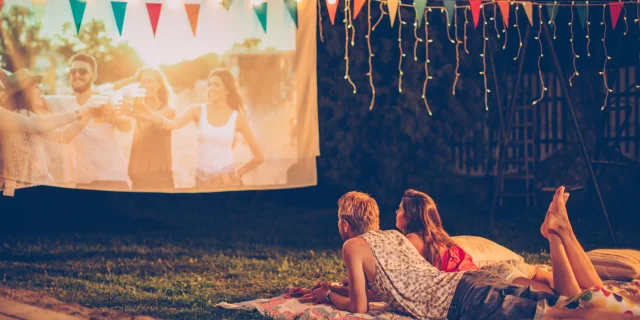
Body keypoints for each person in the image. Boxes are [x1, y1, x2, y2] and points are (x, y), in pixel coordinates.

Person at [295, 188, 639, 319]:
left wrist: (330, 296)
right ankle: (560, 234)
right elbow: (386, 288)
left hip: (464, 295)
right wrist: (335, 287)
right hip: (470, 282)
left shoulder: (354, 246)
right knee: (572, 301)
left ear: (344, 223)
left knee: (564, 312)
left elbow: (360, 305)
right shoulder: (393, 238)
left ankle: (558, 235)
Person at [396, 189, 555, 293]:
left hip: (484, 281)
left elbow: (397, 277)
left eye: (400, 208)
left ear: (409, 216)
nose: (396, 212)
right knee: (552, 293)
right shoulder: (440, 237)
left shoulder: (412, 241)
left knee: (545, 299)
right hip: (490, 273)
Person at [130, 68, 264, 190]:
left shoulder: (238, 118)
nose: (211, 88)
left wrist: (236, 174)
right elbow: (172, 124)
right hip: (201, 179)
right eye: (209, 84)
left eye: (216, 84)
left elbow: (259, 157)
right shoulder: (197, 110)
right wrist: (146, 111)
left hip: (227, 180)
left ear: (227, 89)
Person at [0, 69, 100, 190]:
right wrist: (78, 113)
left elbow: (63, 136)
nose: (42, 90)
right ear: (25, 92)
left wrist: (86, 115)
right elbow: (33, 124)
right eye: (36, 87)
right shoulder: (18, 117)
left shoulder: (31, 116)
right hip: (23, 191)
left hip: (37, 187)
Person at [45, 53, 132, 190]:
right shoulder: (61, 102)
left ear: (94, 76)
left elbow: (127, 126)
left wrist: (111, 118)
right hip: (82, 182)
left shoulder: (105, 99)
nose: (77, 75)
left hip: (112, 179)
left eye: (83, 71)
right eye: (73, 71)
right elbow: (34, 97)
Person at [114, 67, 176, 191]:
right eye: (143, 81)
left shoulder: (168, 110)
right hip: (138, 171)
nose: (146, 85)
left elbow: (147, 122)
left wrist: (132, 113)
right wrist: (135, 78)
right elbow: (115, 88)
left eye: (150, 81)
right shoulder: (136, 108)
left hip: (160, 174)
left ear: (159, 85)